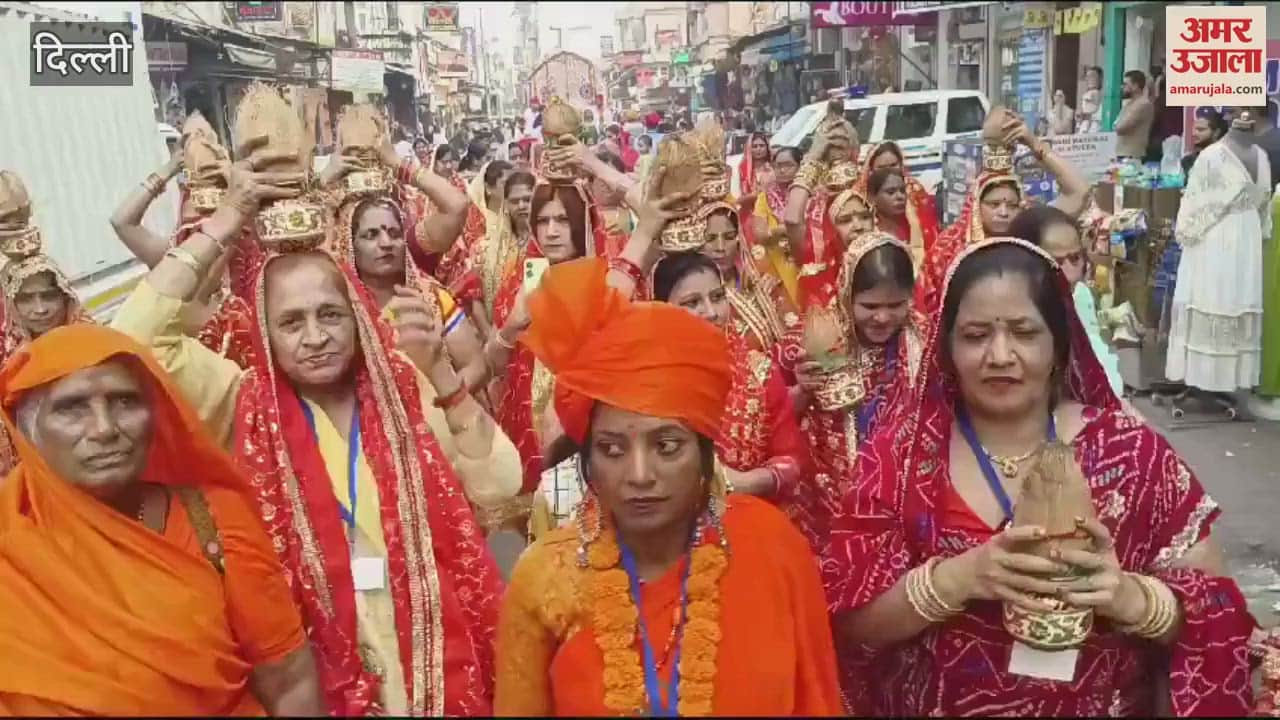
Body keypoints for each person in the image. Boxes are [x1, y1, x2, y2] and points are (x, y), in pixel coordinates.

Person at [110, 82, 520, 715]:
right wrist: (230, 216)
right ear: (263, 334)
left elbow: (501, 485)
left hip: (435, 675)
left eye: (330, 314)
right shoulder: (238, 401)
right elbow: (133, 337)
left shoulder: (405, 391)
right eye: (291, 321)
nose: (315, 336)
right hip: (314, 685)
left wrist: (441, 373)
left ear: (358, 315)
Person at [825, 238, 1255, 716]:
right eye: (975, 335)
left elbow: (1221, 610)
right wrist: (956, 580)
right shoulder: (899, 457)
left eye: (1025, 333)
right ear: (945, 348)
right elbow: (847, 621)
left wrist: (1133, 599)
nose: (1000, 354)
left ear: (1059, 344)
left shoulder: (1131, 451)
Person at [492, 257, 844, 716]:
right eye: (613, 449)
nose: (640, 474)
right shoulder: (546, 579)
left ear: (704, 455)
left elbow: (815, 701)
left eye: (667, 445)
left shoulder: (773, 547)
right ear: (589, 459)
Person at [0, 325, 326, 715]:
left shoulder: (213, 519)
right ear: (29, 430)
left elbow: (289, 681)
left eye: (124, 402)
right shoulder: (11, 538)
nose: (105, 429)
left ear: (155, 416)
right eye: (72, 408)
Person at [652, 251, 812, 526]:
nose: (712, 312)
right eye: (692, 302)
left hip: (750, 523)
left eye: (717, 297)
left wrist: (744, 483)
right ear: (662, 308)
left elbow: (791, 461)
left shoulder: (758, 372)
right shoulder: (648, 378)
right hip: (668, 531)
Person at [792, 231, 923, 551]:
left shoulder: (924, 341)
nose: (882, 317)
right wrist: (802, 390)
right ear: (846, 293)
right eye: (870, 305)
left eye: (895, 305)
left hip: (904, 500)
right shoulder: (817, 336)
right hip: (830, 502)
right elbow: (778, 419)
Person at [917, 110, 1091, 316]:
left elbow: (1080, 192)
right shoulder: (948, 249)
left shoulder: (1033, 236)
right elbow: (927, 313)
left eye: (1012, 205)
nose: (1003, 212)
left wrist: (1034, 144)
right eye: (994, 204)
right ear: (976, 204)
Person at [1166, 106, 1271, 395]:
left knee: (1213, 296)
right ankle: (1220, 379)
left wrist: (1185, 230)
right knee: (1230, 300)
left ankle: (1207, 379)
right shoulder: (1260, 157)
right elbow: (1263, 208)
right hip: (1246, 236)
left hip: (1215, 237)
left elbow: (1194, 205)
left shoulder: (1211, 157)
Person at [1009, 204, 1123, 395]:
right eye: (1056, 262)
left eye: (1075, 258)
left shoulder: (1080, 295)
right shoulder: (1005, 316)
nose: (1070, 275)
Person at [857, 143, 940, 268]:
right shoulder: (860, 202)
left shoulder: (915, 193)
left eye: (893, 165)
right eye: (882, 167)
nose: (899, 196)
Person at [749, 146, 803, 306]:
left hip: (805, 262)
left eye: (788, 165)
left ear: (800, 167)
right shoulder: (765, 198)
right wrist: (782, 230)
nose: (782, 170)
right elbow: (759, 234)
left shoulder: (809, 196)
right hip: (777, 265)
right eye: (778, 166)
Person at [1114, 71, 1155, 161]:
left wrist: (1117, 125)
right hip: (1123, 153)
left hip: (1132, 155)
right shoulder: (1130, 103)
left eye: (1125, 84)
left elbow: (1121, 127)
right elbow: (1116, 125)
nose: (1122, 87)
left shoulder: (1143, 104)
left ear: (1135, 86)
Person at [1182, 108, 1227, 177]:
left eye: (1200, 130)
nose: (1194, 134)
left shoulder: (1227, 161)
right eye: (1194, 129)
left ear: (1216, 133)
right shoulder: (1188, 161)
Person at [737, 131, 772, 200]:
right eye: (754, 146)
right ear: (749, 148)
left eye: (762, 146)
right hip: (748, 207)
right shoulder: (743, 168)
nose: (758, 149)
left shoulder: (773, 166)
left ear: (767, 148)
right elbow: (740, 195)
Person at [1076, 66, 1102, 134]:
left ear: (1100, 78)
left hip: (1095, 132)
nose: (1089, 79)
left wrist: (1085, 116)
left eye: (1092, 76)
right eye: (1087, 76)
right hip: (1083, 132)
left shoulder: (1103, 96)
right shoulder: (1085, 95)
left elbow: (1098, 115)